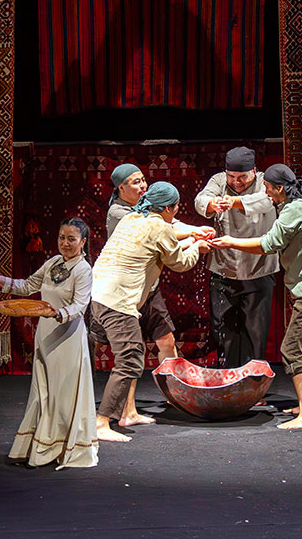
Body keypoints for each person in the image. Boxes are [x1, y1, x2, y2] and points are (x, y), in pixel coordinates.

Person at [212, 164, 302, 429]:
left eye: (268, 188)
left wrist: (231, 242)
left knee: (292, 351)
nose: (266, 193)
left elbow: (268, 244)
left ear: (279, 188)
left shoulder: (294, 210)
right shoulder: (300, 204)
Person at [90, 182, 212, 442]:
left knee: (128, 356)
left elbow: (167, 239)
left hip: (99, 295)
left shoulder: (133, 217)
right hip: (118, 301)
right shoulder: (159, 227)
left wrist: (193, 237)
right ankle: (101, 422)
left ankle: (125, 413)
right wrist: (197, 248)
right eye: (176, 208)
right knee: (130, 359)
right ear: (167, 208)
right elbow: (180, 263)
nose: (176, 212)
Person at [0, 218, 98, 469]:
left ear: (83, 242)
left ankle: (55, 447)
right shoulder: (53, 263)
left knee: (62, 394)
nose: (65, 243)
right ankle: (35, 445)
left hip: (67, 336)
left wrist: (56, 313)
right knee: (42, 391)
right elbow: (27, 286)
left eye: (71, 239)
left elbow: (80, 306)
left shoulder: (83, 270)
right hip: (46, 333)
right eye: (62, 237)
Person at [194, 146, 279, 368]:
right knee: (224, 330)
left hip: (259, 268)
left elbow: (267, 200)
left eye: (242, 177)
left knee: (256, 332)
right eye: (231, 176)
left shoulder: (265, 182)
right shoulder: (219, 181)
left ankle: (253, 380)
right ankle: (229, 378)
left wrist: (234, 202)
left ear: (254, 171)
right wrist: (212, 204)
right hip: (224, 268)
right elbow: (200, 200)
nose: (236, 182)